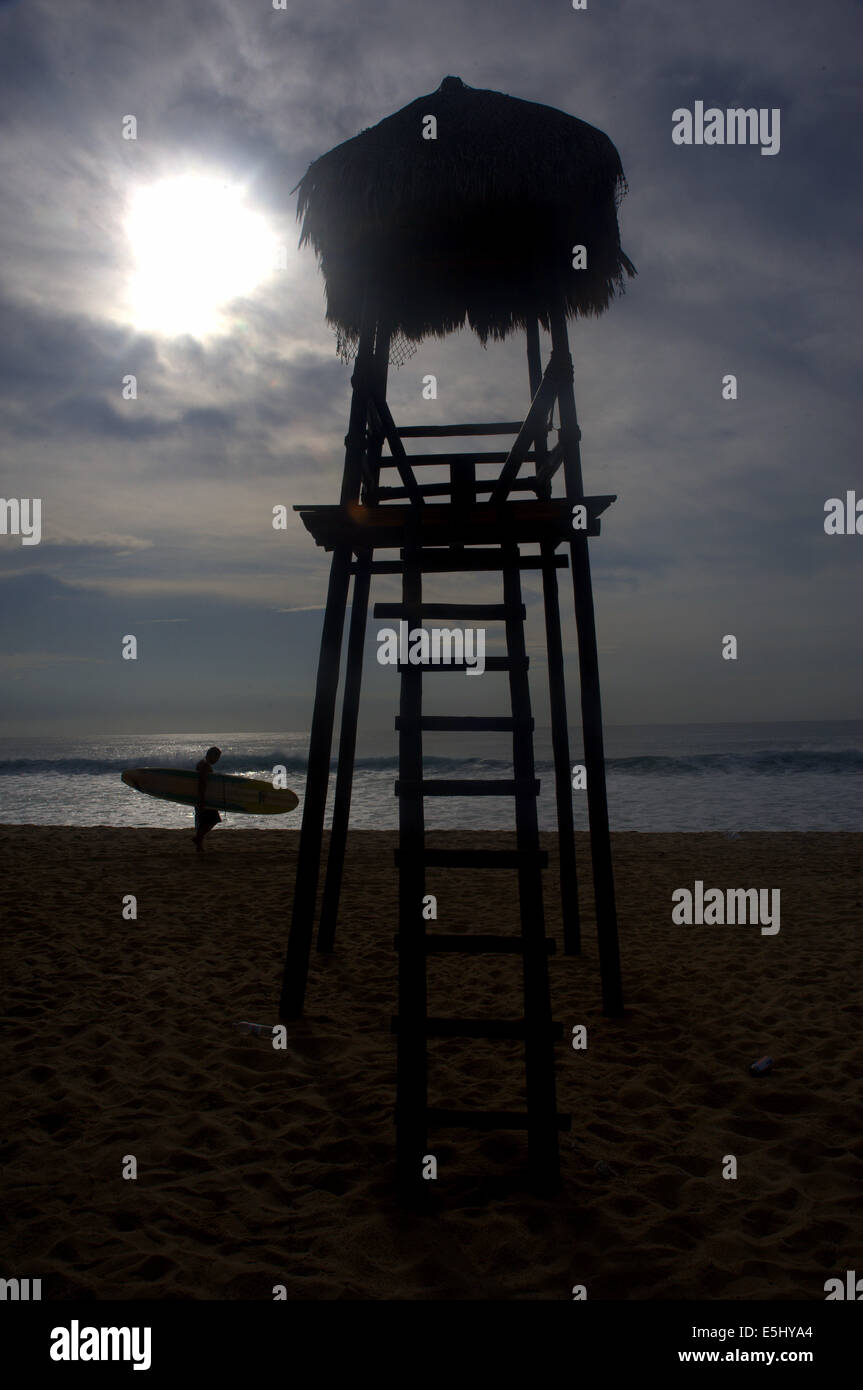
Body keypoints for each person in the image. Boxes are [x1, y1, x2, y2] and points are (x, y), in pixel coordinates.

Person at [194, 746, 222, 853]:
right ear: (210, 755)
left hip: (202, 797)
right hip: (204, 798)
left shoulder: (203, 763)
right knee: (213, 820)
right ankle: (198, 840)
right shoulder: (205, 765)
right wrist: (202, 799)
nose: (217, 760)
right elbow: (202, 783)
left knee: (202, 822)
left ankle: (199, 845)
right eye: (216, 757)